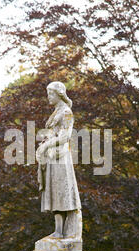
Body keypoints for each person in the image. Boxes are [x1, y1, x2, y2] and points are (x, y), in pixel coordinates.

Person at [36, 81, 82, 240]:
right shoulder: (56, 112)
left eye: (50, 94)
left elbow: (65, 136)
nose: (48, 97)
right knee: (54, 192)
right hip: (52, 157)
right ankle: (58, 230)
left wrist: (45, 145)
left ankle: (61, 231)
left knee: (61, 192)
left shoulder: (66, 112)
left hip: (61, 158)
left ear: (59, 94)